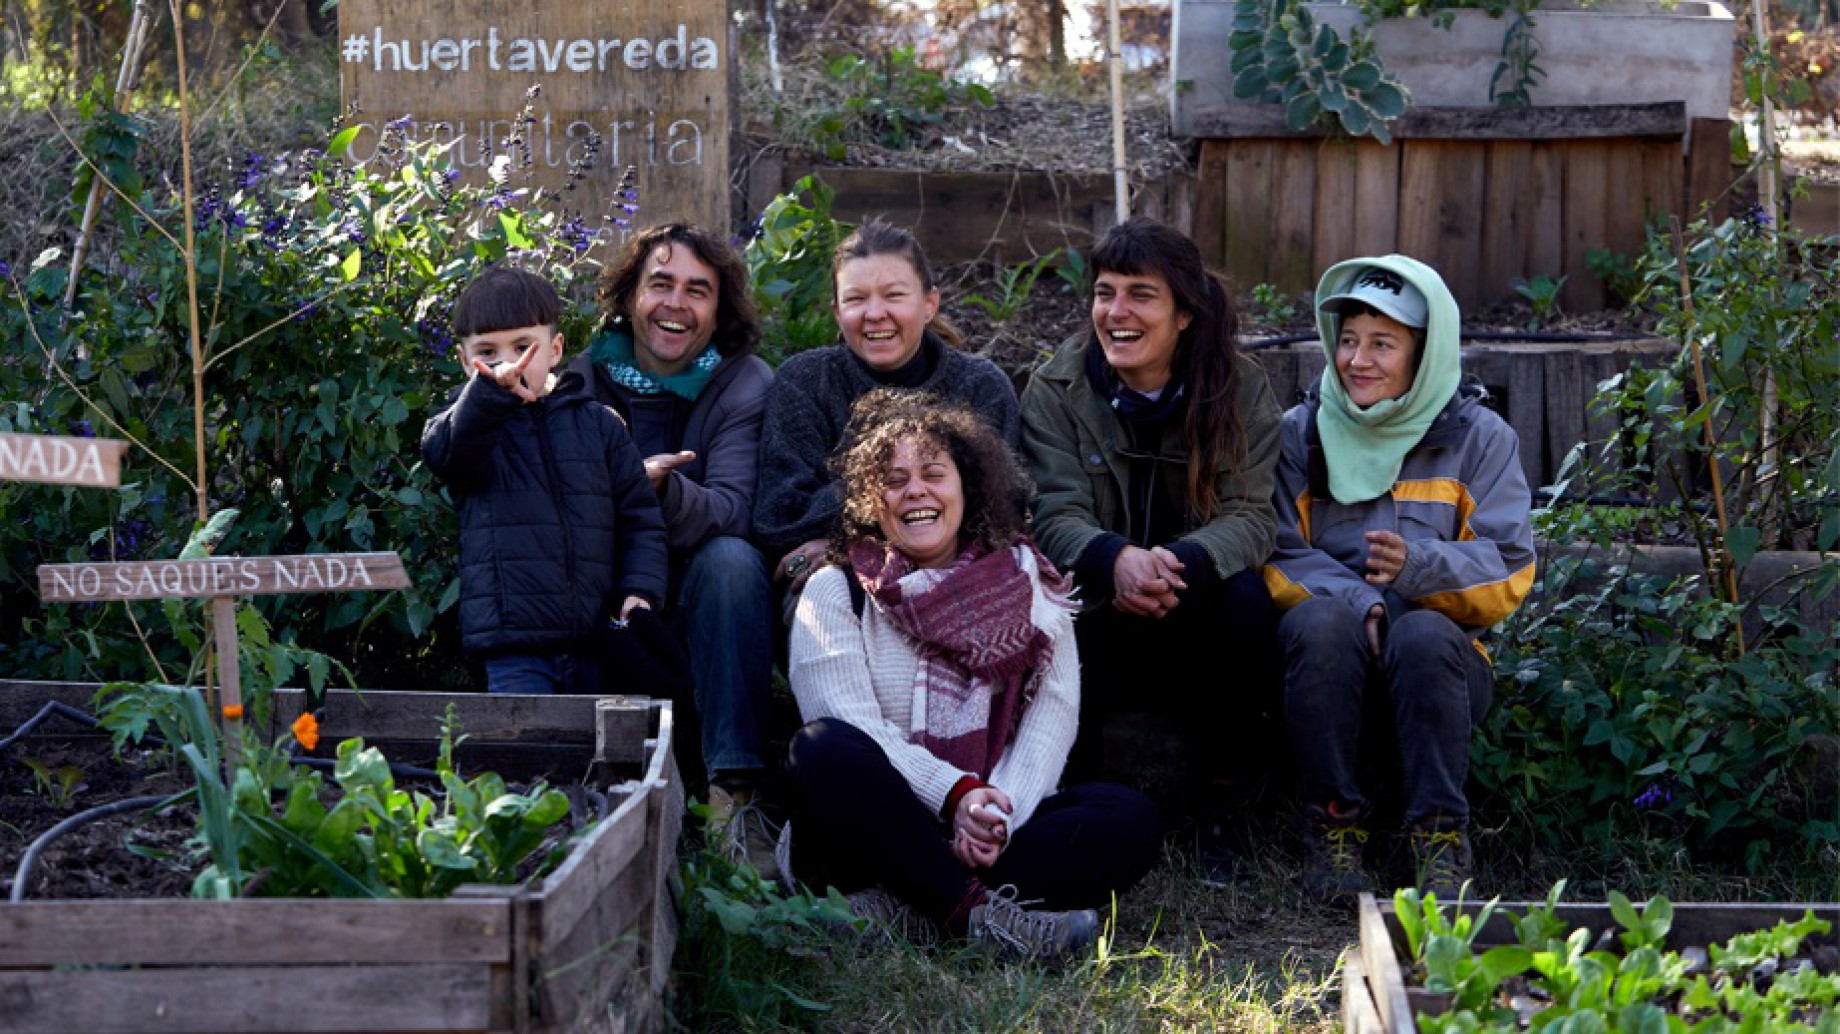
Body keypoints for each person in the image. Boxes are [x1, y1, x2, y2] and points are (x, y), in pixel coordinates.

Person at [783, 391, 1161, 960]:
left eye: (933, 474)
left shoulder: (1033, 586)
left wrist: (993, 814)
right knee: (823, 748)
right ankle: (979, 917)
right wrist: (953, 795)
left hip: (984, 830)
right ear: (870, 500)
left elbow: (1051, 722)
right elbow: (844, 718)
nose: (915, 491)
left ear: (967, 488)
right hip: (877, 826)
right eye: (893, 479)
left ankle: (900, 912)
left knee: (1128, 818)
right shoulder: (836, 590)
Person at [1019, 217, 1283, 884]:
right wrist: (1115, 558)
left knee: (1249, 599)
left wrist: (1179, 563)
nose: (1117, 313)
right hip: (1099, 608)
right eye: (1105, 293)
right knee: (1042, 593)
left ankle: (1220, 805)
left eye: (1141, 294)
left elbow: (1250, 516)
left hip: (1192, 611)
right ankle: (1063, 799)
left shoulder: (1239, 390)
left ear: (1185, 313)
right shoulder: (1055, 390)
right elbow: (1052, 511)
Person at [1262, 257, 1534, 905]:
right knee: (1319, 620)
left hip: (1439, 669)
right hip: (1330, 665)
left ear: (1426, 352)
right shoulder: (1299, 436)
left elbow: (1512, 564)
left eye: (1383, 343)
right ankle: (1332, 830)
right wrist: (1362, 602)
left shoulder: (1480, 439)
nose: (1358, 359)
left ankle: (1441, 837)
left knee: (1424, 635)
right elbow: (1272, 552)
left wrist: (1418, 569)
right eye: (1349, 339)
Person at [567, 224, 777, 865]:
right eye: (661, 284)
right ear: (631, 294)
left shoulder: (742, 382)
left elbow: (734, 512)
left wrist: (651, 490)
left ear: (719, 310)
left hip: (703, 601)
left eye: (698, 291)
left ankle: (731, 804)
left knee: (733, 560)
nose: (676, 305)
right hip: (612, 594)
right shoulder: (580, 379)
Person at [422, 264, 668, 695]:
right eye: (489, 353)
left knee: (604, 751)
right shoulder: (467, 430)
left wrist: (639, 591)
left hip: (600, 638)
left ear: (554, 350)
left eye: (522, 347)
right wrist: (487, 396)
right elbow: (449, 456)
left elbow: (640, 520)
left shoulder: (599, 426)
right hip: (514, 646)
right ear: (464, 362)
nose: (508, 366)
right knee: (524, 749)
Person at [753, 221, 1020, 609]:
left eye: (894, 295)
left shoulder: (980, 388)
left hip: (960, 581)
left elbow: (1002, 514)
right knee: (821, 588)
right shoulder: (805, 382)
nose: (875, 314)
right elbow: (781, 519)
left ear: (929, 304)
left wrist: (859, 544)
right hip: (836, 587)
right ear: (836, 312)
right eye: (856, 299)